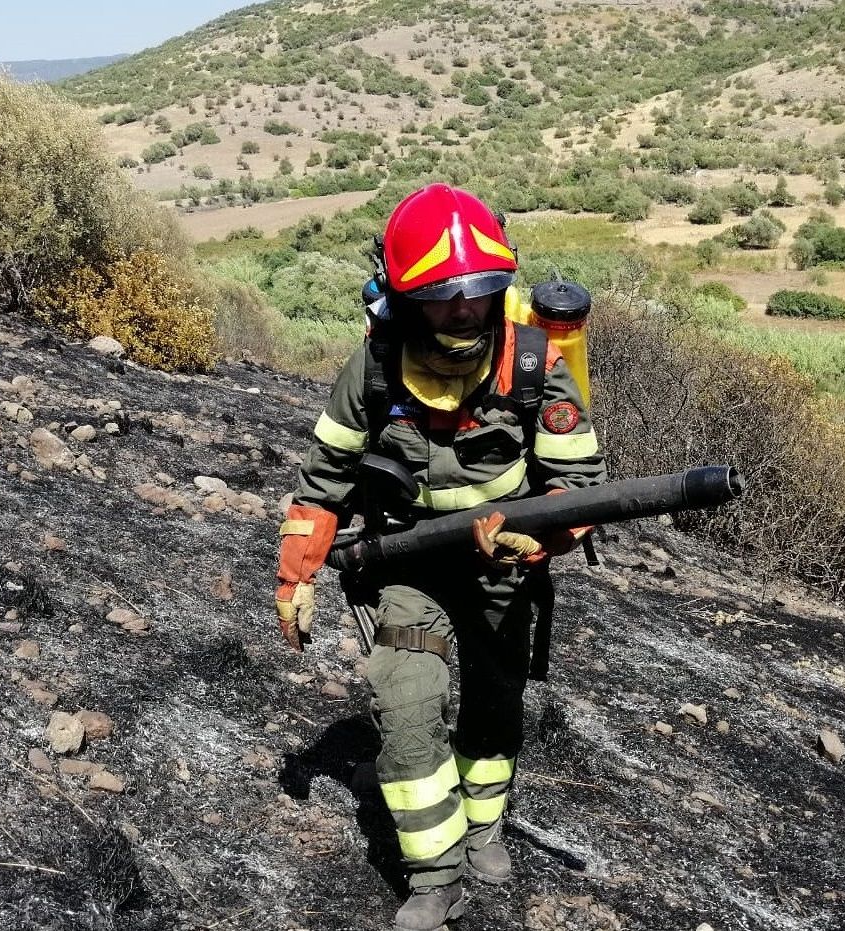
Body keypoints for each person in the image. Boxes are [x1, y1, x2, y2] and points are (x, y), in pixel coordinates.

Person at [274, 183, 606, 931]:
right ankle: (437, 875)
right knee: (406, 703)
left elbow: (578, 483)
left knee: (493, 706)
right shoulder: (373, 368)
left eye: (480, 291)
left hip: (503, 570)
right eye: (439, 294)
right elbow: (321, 480)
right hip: (407, 565)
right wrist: (295, 577)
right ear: (402, 294)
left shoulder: (533, 363)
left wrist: (541, 534)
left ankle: (484, 825)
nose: (462, 308)